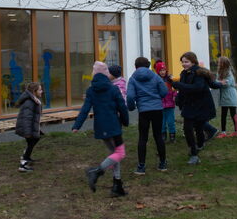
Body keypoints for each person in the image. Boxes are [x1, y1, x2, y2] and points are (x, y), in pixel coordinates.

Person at [72, 61, 130, 197]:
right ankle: (97, 171)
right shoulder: (113, 89)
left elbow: (85, 109)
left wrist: (77, 125)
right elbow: (122, 107)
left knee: (114, 154)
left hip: (100, 128)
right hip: (114, 127)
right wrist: (125, 122)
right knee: (120, 154)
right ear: (106, 74)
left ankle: (117, 186)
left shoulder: (91, 90)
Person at [171, 51, 223, 165]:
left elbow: (197, 87)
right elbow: (184, 89)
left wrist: (178, 85)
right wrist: (179, 99)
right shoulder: (184, 73)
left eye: (186, 62)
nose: (184, 64)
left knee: (199, 127)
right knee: (187, 128)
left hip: (201, 105)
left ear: (193, 61)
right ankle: (194, 153)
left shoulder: (199, 73)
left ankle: (200, 144)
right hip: (189, 105)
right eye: (182, 62)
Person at [127, 57, 169, 174]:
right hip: (157, 109)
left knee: (142, 138)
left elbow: (130, 97)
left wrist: (131, 107)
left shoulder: (133, 79)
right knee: (158, 136)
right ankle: (162, 163)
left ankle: (141, 167)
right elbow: (164, 91)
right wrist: (157, 98)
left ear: (135, 66)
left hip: (144, 111)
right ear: (148, 66)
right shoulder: (155, 76)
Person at [15, 82, 44, 172]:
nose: (42, 91)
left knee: (34, 140)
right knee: (32, 141)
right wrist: (28, 132)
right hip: (27, 127)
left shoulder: (34, 99)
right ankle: (23, 164)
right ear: (34, 91)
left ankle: (26, 157)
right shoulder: (29, 102)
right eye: (40, 90)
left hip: (31, 126)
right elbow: (27, 118)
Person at [216, 57, 237, 138]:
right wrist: (220, 82)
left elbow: (227, 83)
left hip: (231, 96)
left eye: (220, 62)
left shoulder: (229, 72)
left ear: (224, 63)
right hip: (223, 97)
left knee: (233, 113)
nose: (218, 63)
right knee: (223, 114)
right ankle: (223, 132)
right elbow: (216, 82)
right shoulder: (219, 72)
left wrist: (220, 82)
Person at [154, 61, 177, 143]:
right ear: (157, 71)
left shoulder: (170, 79)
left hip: (170, 104)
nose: (163, 72)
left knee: (171, 121)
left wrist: (174, 95)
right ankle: (163, 136)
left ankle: (172, 136)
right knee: (162, 122)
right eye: (160, 70)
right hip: (160, 105)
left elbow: (174, 88)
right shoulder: (156, 80)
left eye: (164, 70)